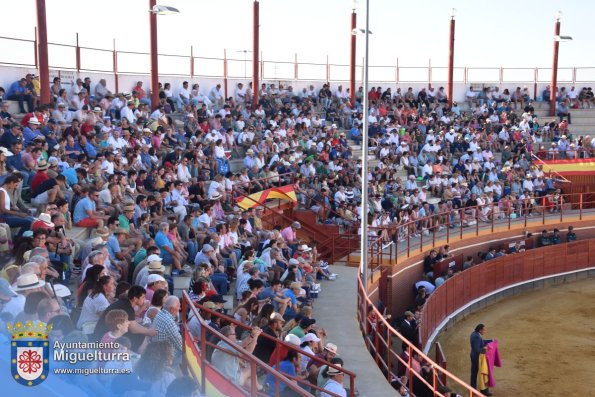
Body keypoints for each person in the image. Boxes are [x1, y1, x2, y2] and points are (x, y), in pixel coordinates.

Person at [470, 323, 494, 396]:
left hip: (475, 356)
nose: (485, 331)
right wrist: (485, 349)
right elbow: (477, 349)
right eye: (484, 330)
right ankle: (484, 392)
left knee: (474, 373)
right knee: (483, 373)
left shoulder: (475, 334)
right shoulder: (476, 336)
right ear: (480, 330)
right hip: (478, 358)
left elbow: (482, 342)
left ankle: (473, 390)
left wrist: (491, 340)